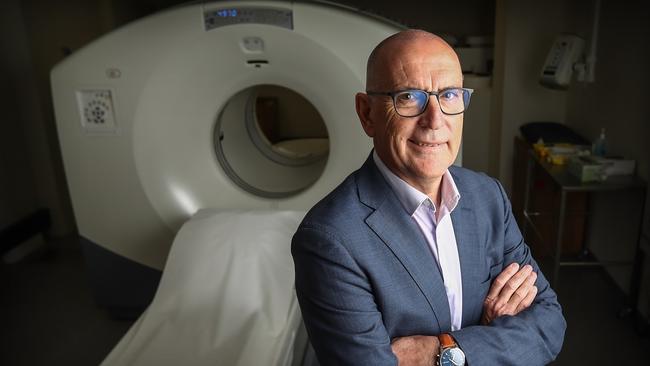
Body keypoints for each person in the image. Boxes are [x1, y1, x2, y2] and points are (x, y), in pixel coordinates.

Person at [291, 30, 566, 366]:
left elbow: (550, 324)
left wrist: (443, 352)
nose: (435, 121)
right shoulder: (330, 239)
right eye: (408, 97)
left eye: (449, 95)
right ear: (367, 113)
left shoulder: (487, 197)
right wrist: (492, 329)